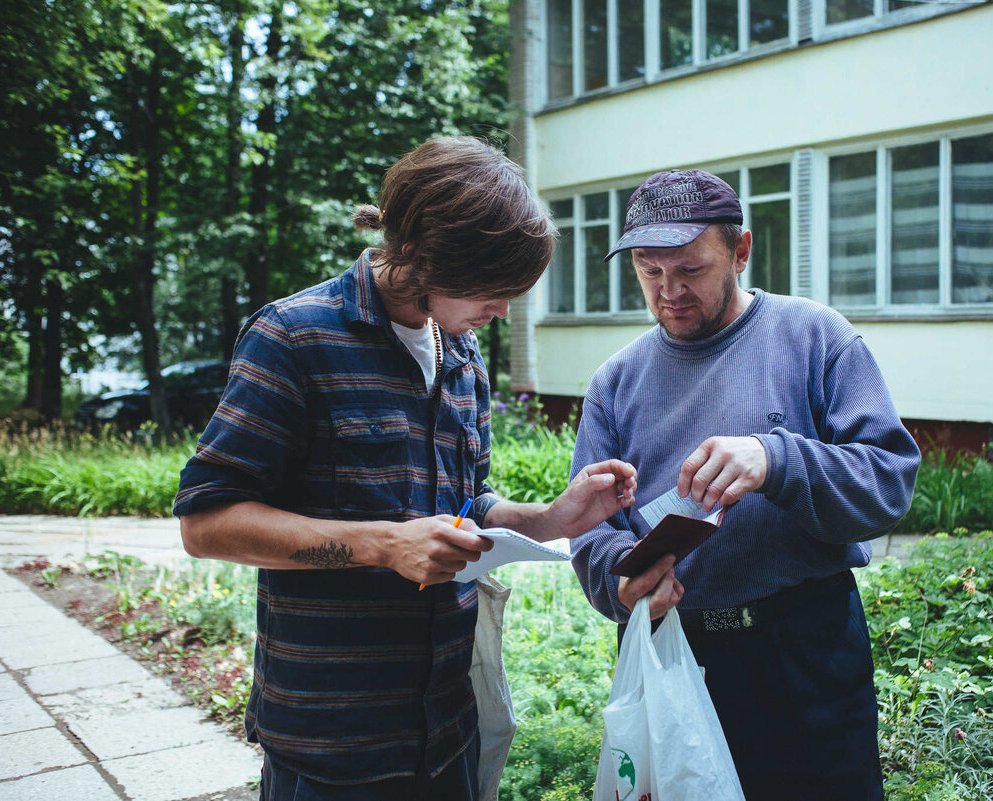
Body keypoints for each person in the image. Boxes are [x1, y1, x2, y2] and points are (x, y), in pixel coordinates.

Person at [173, 136, 637, 801]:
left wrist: (550, 517)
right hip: (334, 744)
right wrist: (385, 544)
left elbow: (464, 504)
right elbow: (206, 521)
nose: (502, 310)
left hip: (448, 728)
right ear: (418, 253)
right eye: (489, 287)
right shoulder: (293, 337)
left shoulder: (463, 352)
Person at [569, 168, 920, 800]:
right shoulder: (614, 384)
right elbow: (591, 530)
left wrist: (777, 459)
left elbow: (889, 482)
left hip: (806, 649)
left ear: (741, 250)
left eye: (690, 270)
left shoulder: (817, 340)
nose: (669, 291)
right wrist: (618, 579)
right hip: (675, 655)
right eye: (650, 271)